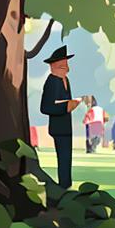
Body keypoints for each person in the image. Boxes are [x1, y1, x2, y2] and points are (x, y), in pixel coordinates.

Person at [39, 45, 80, 188]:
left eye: (66, 66)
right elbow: (45, 107)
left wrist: (72, 103)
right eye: (62, 67)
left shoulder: (66, 81)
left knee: (67, 158)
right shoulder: (52, 82)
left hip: (66, 126)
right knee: (62, 157)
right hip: (58, 127)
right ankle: (63, 185)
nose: (66, 69)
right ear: (53, 67)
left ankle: (66, 184)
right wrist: (66, 107)